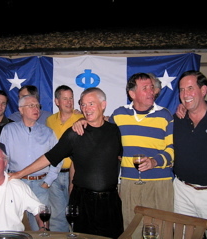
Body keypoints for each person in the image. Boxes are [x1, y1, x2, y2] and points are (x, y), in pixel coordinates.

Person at [9, 87, 124, 239]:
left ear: (103, 105)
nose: (86, 109)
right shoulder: (75, 133)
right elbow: (50, 157)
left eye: (91, 103)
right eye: (82, 104)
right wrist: (19, 174)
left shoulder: (115, 131)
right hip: (83, 201)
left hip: (110, 201)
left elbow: (119, 159)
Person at [73, 73, 174, 239]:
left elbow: (171, 150)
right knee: (131, 230)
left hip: (159, 183)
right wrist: (83, 121)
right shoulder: (119, 115)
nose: (151, 91)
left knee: (162, 231)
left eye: (151, 87)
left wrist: (155, 161)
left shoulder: (165, 115)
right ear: (132, 94)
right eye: (145, 88)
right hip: (130, 184)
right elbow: (101, 128)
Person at [173, 70, 207, 239]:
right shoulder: (177, 120)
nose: (185, 94)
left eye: (190, 88)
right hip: (182, 192)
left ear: (203, 90)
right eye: (182, 90)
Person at [0, 95, 61, 231]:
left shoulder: (48, 132)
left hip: (40, 184)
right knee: (13, 225)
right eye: (31, 105)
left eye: (37, 106)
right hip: (16, 183)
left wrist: (48, 181)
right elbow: (2, 158)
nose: (36, 109)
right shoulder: (9, 130)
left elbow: (58, 158)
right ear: (21, 110)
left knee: (42, 226)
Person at [46, 85, 84, 232]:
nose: (69, 102)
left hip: (75, 174)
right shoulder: (49, 120)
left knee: (75, 213)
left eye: (71, 98)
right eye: (65, 99)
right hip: (54, 175)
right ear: (57, 101)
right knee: (56, 216)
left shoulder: (81, 119)